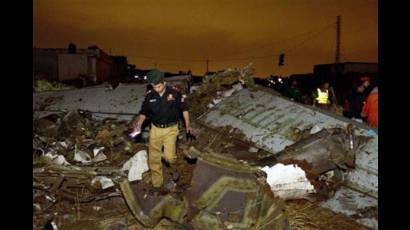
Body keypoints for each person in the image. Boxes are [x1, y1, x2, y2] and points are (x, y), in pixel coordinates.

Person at [132, 69, 193, 191]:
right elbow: (144, 112)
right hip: (155, 130)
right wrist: (139, 124)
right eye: (154, 87)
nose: (157, 89)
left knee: (169, 157)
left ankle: (174, 169)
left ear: (164, 83)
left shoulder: (175, 93)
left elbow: (184, 109)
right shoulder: (150, 96)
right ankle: (157, 184)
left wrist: (188, 125)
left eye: (159, 86)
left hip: (171, 129)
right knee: (153, 158)